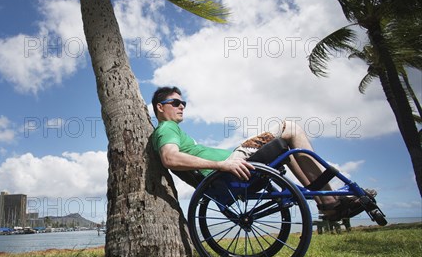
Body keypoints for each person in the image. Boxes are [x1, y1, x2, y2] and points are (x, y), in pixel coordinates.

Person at [151, 86, 371, 220]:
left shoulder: (173, 129)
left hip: (230, 171)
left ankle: (327, 202)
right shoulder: (167, 128)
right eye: (176, 102)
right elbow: (170, 158)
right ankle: (330, 201)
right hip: (231, 167)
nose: (182, 107)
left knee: (287, 148)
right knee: (290, 128)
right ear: (160, 107)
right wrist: (223, 165)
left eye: (184, 103)